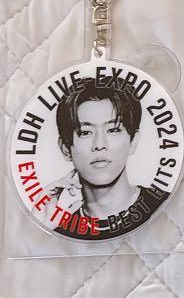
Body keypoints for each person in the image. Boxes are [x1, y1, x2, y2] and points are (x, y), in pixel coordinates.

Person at [52, 79, 166, 238]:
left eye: (113, 130)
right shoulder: (57, 228)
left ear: (133, 141)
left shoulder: (168, 204)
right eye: (85, 132)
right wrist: (41, 230)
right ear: (65, 148)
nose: (99, 145)